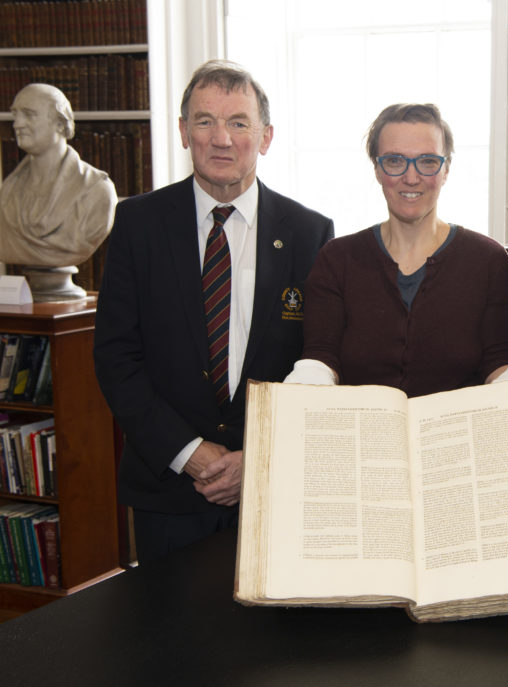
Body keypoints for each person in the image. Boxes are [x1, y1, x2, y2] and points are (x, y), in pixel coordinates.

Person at [93, 60, 334, 563]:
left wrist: (260, 458)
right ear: (184, 132)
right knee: (167, 640)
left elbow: (320, 360)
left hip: (274, 489)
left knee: (274, 642)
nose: (221, 138)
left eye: (239, 122)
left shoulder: (310, 233)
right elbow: (117, 357)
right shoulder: (138, 223)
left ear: (265, 137)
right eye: (204, 121)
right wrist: (190, 454)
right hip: (169, 490)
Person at [283, 103, 508, 395]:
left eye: (428, 161)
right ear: (377, 169)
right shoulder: (336, 260)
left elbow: (501, 362)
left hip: (453, 436)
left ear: (446, 169)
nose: (411, 177)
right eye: (395, 161)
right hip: (363, 435)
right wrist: (298, 393)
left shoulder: (489, 262)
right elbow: (320, 357)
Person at [0, 83, 116, 267]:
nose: (17, 124)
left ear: (60, 123)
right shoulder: (8, 190)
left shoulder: (96, 190)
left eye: (29, 114)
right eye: (15, 115)